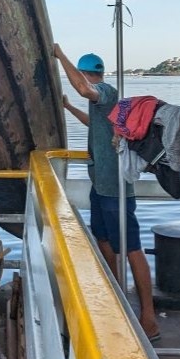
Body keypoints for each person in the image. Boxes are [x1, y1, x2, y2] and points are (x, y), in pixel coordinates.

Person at [52, 45, 159, 341]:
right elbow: (95, 126)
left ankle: (148, 317)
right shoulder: (100, 105)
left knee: (131, 247)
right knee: (103, 240)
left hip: (115, 189)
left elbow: (84, 89)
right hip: (101, 186)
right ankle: (115, 297)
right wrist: (68, 108)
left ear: (89, 75)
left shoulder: (107, 93)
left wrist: (59, 54)